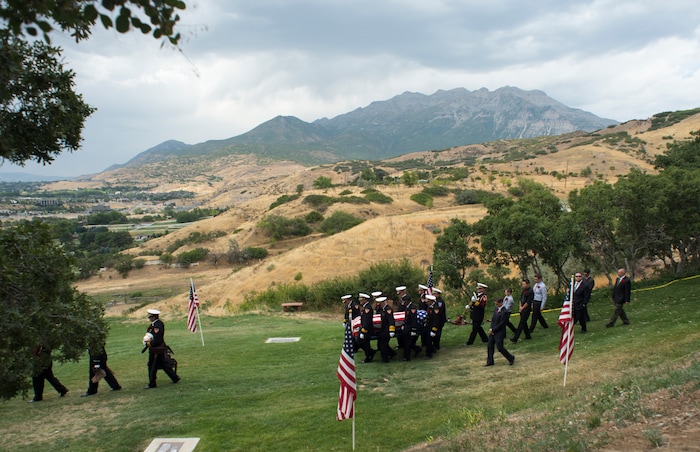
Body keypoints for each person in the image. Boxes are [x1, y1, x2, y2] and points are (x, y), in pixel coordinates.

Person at [143, 309, 180, 389]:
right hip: (158, 348)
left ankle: (152, 383)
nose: (149, 318)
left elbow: (157, 339)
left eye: (150, 317)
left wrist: (148, 344)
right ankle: (175, 377)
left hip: (156, 348)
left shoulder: (157, 325)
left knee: (152, 365)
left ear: (154, 317)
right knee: (164, 364)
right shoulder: (155, 324)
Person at [485, 298, 515, 366]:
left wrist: (494, 330)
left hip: (499, 332)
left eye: (497, 304)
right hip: (493, 331)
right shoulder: (496, 309)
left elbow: (502, 323)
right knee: (490, 346)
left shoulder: (505, 312)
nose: (496, 305)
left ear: (501, 303)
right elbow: (493, 320)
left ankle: (510, 358)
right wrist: (491, 328)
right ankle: (490, 361)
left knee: (500, 347)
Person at [511, 279, 533, 343]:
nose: (523, 285)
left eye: (524, 284)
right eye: (522, 284)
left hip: (526, 309)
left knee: (521, 323)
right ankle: (528, 335)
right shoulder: (523, 290)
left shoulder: (530, 291)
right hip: (522, 308)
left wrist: (523, 308)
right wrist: (520, 306)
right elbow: (521, 299)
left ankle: (515, 338)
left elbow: (528, 302)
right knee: (524, 323)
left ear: (528, 284)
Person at [358, 293, 377, 363]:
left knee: (366, 343)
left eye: (361, 300)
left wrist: (363, 331)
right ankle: (371, 352)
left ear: (365, 300)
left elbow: (367, 321)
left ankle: (369, 356)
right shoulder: (365, 307)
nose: (360, 301)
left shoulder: (367, 308)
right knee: (359, 342)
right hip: (364, 328)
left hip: (367, 330)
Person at [377, 297, 396, 363]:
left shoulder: (388, 309)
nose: (379, 305)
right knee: (382, 343)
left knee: (383, 345)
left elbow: (391, 320)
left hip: (387, 329)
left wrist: (391, 330)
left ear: (383, 303)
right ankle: (392, 353)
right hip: (384, 329)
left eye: (379, 304)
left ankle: (385, 359)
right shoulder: (383, 309)